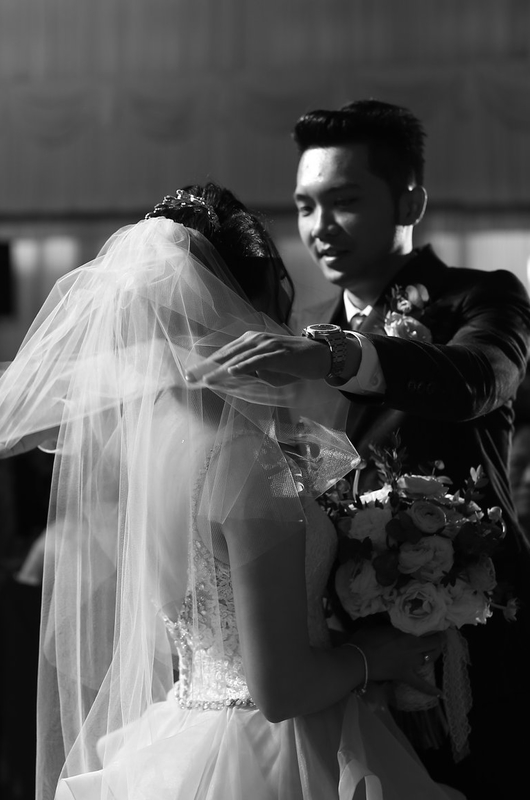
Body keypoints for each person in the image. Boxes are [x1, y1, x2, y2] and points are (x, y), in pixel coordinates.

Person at [0, 183, 463, 800]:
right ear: (241, 307)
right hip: (278, 752)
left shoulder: (150, 440)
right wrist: (372, 657)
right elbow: (282, 690)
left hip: (183, 733)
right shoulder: (246, 459)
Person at [190, 102, 530, 800]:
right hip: (344, 662)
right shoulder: (298, 335)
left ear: (410, 202)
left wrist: (338, 357)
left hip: (478, 637)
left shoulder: (481, 300)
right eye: (305, 206)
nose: (320, 226)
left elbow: (476, 381)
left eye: (344, 201)